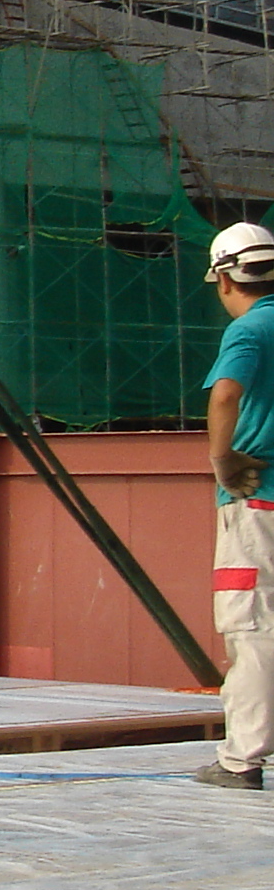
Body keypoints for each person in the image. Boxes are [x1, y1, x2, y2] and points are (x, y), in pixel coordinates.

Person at [192, 222, 274, 790]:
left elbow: (226, 393)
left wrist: (222, 460)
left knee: (253, 628)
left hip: (259, 503)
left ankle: (241, 759)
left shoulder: (251, 330)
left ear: (224, 277)